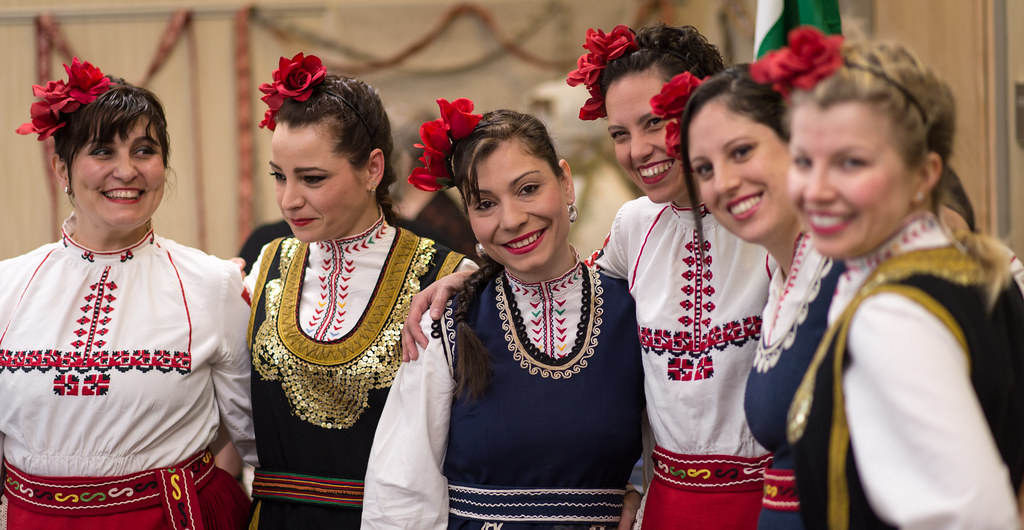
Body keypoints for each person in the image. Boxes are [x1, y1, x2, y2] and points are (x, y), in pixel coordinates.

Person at [403, 24, 773, 529]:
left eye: (656, 122)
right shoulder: (636, 225)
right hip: (668, 507)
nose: (639, 149)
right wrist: (467, 278)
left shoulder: (771, 226)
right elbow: (554, 279)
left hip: (767, 503)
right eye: (621, 133)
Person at [757, 29, 1024, 528]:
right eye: (803, 161)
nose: (815, 190)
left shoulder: (892, 315)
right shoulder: (980, 271)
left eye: (850, 162)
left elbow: (973, 515)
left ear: (925, 174)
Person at [362, 100, 645, 529]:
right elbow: (402, 489)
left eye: (528, 189)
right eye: (485, 204)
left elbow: (673, 443)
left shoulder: (634, 311)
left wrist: (639, 498)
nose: (511, 219)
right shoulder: (446, 321)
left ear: (565, 183)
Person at [1, 58, 255, 529]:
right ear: (62, 168)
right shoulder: (7, 288)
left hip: (174, 519)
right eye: (102, 151)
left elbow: (255, 439)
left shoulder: (213, 283)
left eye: (143, 150)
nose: (126, 171)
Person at [244, 53, 470, 528]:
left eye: (312, 178)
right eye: (279, 177)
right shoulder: (264, 267)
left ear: (372, 169)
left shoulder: (447, 276)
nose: (289, 200)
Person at [653, 63, 841, 529]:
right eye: (704, 169)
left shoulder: (854, 272)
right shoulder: (784, 282)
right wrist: (469, 274)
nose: (724, 182)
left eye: (742, 152)